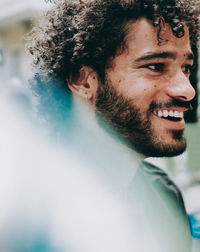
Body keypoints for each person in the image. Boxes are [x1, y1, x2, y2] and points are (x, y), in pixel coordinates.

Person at [26, 0, 200, 251]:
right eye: (155, 66)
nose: (188, 89)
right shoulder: (21, 209)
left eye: (186, 68)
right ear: (83, 80)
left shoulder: (164, 194)